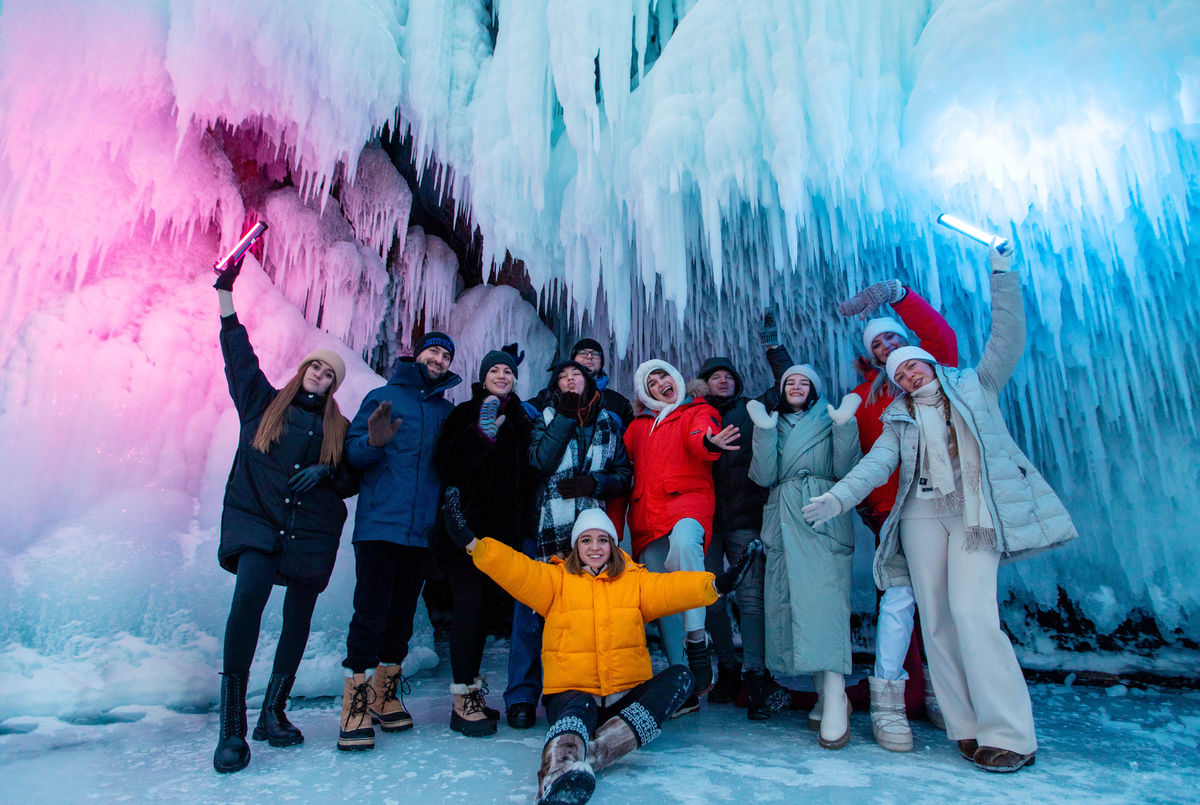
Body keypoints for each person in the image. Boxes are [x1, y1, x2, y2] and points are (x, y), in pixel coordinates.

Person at [804, 245, 1078, 772]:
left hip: (974, 516)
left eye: (911, 365)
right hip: (917, 517)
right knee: (937, 624)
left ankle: (1010, 732)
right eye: (897, 372)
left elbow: (1008, 337)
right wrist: (839, 499)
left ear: (927, 360)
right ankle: (967, 727)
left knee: (975, 616)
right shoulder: (894, 415)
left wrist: (1002, 274)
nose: (906, 376)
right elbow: (875, 465)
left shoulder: (974, 385)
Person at [441, 492, 761, 805]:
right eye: (586, 540)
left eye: (603, 540)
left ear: (613, 545)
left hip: (624, 697)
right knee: (577, 712)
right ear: (576, 546)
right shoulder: (555, 580)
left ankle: (595, 753)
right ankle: (557, 773)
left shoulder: (635, 581)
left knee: (680, 678)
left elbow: (673, 588)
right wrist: (473, 543)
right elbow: (514, 569)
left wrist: (716, 585)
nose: (595, 547)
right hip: (572, 694)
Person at [210, 256, 358, 773]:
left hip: (310, 536)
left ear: (334, 386)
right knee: (247, 600)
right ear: (304, 371)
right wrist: (226, 298)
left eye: (329, 374)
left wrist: (328, 473)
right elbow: (239, 357)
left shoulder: (339, 429)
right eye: (316, 367)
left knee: (298, 620)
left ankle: (273, 712)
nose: (320, 374)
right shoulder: (262, 402)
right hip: (258, 521)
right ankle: (231, 725)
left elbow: (349, 482)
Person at [827, 277, 961, 750]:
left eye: (891, 338)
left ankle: (940, 691)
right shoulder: (863, 397)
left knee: (941, 600)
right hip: (889, 510)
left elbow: (943, 340)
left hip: (944, 504)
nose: (886, 348)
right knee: (903, 600)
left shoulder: (928, 374)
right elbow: (862, 453)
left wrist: (900, 296)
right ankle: (902, 696)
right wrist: (864, 503)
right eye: (878, 344)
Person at [337, 329, 460, 751]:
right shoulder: (381, 397)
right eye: (433, 351)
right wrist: (372, 442)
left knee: (403, 614)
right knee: (369, 611)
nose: (439, 359)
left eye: (446, 355)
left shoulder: (446, 412)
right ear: (417, 354)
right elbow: (352, 454)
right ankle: (354, 701)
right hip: (379, 524)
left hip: (421, 531)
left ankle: (383, 694)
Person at [504, 360, 633, 729]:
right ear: (555, 387)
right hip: (543, 529)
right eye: (562, 376)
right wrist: (562, 415)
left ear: (590, 382)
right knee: (531, 612)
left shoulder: (609, 423)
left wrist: (594, 485)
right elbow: (540, 460)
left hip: (590, 535)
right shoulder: (541, 417)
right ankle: (522, 696)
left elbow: (624, 474)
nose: (571, 378)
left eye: (577, 374)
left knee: (584, 617)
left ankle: (579, 691)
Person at [745, 364, 860, 748]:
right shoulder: (774, 423)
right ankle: (827, 695)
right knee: (796, 605)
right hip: (782, 512)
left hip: (822, 508)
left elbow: (846, 469)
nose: (795, 386)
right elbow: (762, 477)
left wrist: (845, 426)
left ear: (815, 388)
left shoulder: (830, 416)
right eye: (789, 382)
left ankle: (835, 693)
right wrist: (762, 430)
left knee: (825, 603)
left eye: (803, 381)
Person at [622, 359, 740, 714]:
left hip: (687, 501)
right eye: (652, 382)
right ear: (646, 393)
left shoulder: (695, 411)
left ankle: (696, 638)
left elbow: (699, 437)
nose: (661, 384)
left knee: (688, 542)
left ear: (676, 380)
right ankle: (681, 682)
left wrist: (711, 442)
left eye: (664, 377)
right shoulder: (637, 428)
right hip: (647, 514)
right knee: (662, 600)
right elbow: (621, 465)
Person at [690, 316, 793, 717]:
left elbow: (790, 387)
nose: (724, 381)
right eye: (715, 377)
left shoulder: (752, 410)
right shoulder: (691, 416)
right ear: (703, 384)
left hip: (747, 516)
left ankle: (755, 672)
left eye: (729, 377)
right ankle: (728, 668)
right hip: (705, 521)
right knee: (710, 596)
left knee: (751, 597)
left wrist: (773, 349)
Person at [435, 346, 533, 736]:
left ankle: (473, 691)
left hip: (502, 537)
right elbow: (446, 466)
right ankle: (462, 701)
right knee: (469, 611)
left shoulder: (521, 418)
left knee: (485, 616)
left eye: (508, 372)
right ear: (482, 377)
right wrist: (481, 435)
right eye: (495, 370)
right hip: (465, 531)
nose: (503, 376)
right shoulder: (463, 413)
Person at [567, 338, 634, 426]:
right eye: (582, 353)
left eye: (595, 354)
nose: (589, 356)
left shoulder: (620, 403)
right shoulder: (552, 397)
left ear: (601, 364)